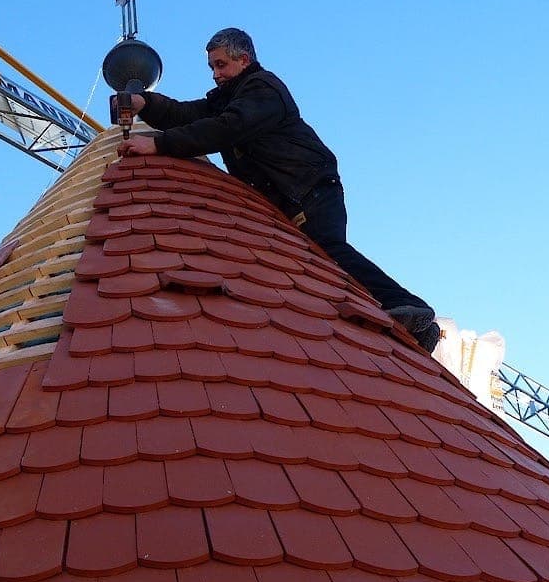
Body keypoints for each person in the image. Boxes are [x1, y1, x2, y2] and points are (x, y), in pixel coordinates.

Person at [117, 27, 440, 352]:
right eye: (212, 68)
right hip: (293, 194)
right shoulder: (229, 99)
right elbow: (186, 115)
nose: (215, 75)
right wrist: (145, 102)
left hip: (309, 188)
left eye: (221, 65)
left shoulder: (262, 89)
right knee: (326, 265)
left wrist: (159, 145)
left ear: (243, 60)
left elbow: (226, 129)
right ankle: (415, 329)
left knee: (331, 252)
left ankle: (411, 307)